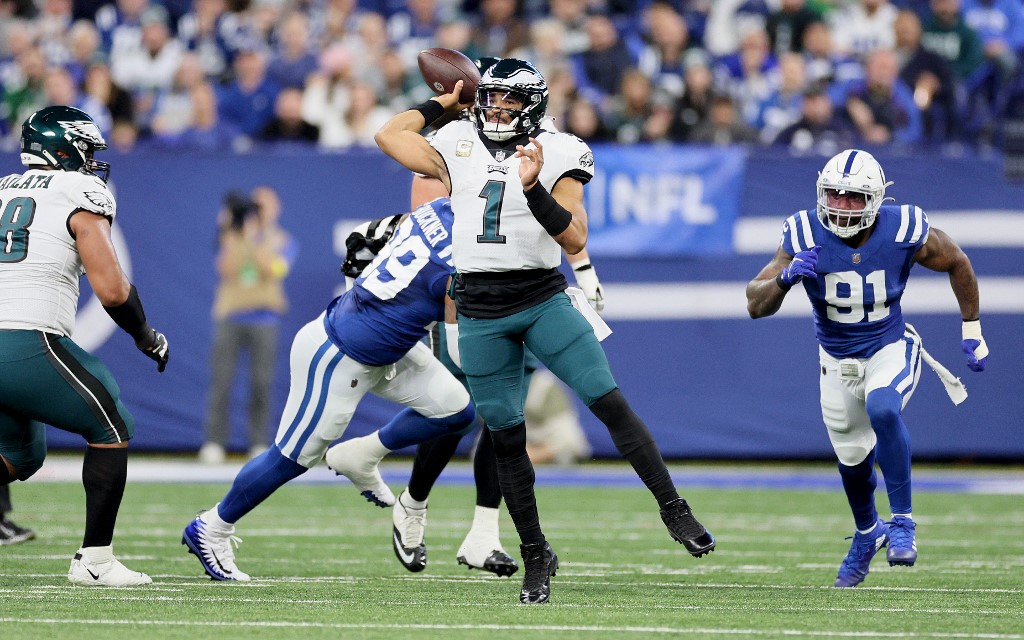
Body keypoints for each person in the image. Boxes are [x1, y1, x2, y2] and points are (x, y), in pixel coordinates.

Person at [375, 58, 715, 604]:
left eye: (508, 101)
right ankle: (535, 553)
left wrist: (533, 189)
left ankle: (674, 507)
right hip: (479, 306)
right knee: (507, 438)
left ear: (532, 106)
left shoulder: (560, 149)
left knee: (608, 401)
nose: (495, 110)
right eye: (489, 99)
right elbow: (389, 134)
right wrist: (448, 100)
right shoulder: (459, 137)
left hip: (540, 296)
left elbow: (575, 237)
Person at [181, 197, 477, 582]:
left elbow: (361, 239)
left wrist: (361, 291)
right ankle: (212, 526)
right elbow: (460, 348)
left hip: (385, 346)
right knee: (290, 458)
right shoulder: (463, 260)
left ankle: (362, 455)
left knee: (457, 410)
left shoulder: (436, 209)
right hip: (337, 354)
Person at [745, 148, 988, 588]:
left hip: (889, 345)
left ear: (876, 200)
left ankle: (903, 523)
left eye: (854, 197)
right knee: (852, 459)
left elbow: (957, 261)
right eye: (834, 195)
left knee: (883, 408)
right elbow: (753, 303)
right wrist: (784, 279)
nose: (840, 205)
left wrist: (971, 329)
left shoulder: (903, 228)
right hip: (835, 359)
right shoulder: (803, 232)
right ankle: (866, 533)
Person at [0, 105, 169, 586]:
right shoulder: (79, 191)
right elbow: (113, 290)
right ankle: (95, 561)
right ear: (64, 147)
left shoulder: (2, 188)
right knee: (111, 420)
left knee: (18, 453)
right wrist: (145, 334)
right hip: (25, 337)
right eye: (87, 149)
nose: (93, 161)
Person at [199, 186, 296, 463]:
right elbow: (226, 271)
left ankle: (258, 442)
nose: (259, 212)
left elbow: (275, 271)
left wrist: (255, 239)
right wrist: (231, 232)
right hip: (230, 316)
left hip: (265, 318)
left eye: (264, 207)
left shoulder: (282, 240)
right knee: (221, 381)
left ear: (275, 210)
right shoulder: (230, 235)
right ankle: (215, 441)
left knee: (261, 383)